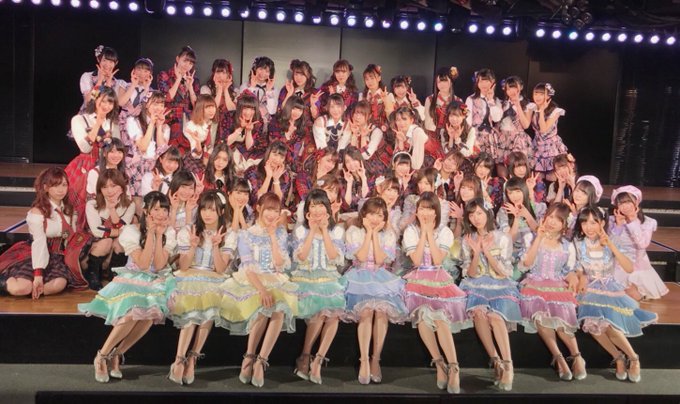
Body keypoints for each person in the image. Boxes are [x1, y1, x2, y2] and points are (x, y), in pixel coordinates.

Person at [79, 191, 177, 383]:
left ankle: (117, 354)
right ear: (146, 211)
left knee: (149, 316)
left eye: (164, 209)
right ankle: (102, 355)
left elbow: (158, 265)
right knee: (132, 312)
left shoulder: (169, 233)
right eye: (156, 209)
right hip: (133, 278)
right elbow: (142, 264)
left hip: (155, 280)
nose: (161, 214)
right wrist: (150, 234)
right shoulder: (131, 231)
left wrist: (159, 235)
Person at [219, 193, 298, 388]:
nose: (272, 214)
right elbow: (248, 268)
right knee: (263, 306)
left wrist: (272, 236)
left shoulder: (280, 233)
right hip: (252, 280)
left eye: (276, 211)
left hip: (275, 278)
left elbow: (280, 264)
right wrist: (262, 290)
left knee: (279, 308)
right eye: (269, 209)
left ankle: (261, 360)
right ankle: (249, 356)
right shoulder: (246, 234)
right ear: (259, 208)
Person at [573, 206, 657, 383]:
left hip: (610, 289)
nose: (589, 227)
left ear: (602, 223)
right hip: (589, 290)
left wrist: (611, 244)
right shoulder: (578, 243)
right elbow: (578, 267)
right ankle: (618, 357)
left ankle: (633, 358)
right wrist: (581, 277)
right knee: (593, 325)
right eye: (585, 222)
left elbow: (629, 267)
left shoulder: (613, 240)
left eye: (594, 222)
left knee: (609, 326)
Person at [402, 193, 470, 393]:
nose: (426, 212)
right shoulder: (410, 231)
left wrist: (429, 233)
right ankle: (440, 364)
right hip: (418, 279)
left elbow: (438, 260)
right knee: (423, 317)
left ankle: (454, 367)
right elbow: (416, 261)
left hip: (439, 278)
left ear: (436, 212)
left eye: (430, 208)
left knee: (440, 318)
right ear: (417, 211)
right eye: (422, 208)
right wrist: (423, 232)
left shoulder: (445, 232)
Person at [167, 191, 235, 385]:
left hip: (214, 278)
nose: (207, 214)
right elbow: (183, 266)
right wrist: (192, 246)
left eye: (212, 210)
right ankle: (179, 359)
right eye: (204, 209)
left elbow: (220, 269)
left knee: (209, 311)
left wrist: (215, 246)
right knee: (192, 310)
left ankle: (193, 359)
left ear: (221, 211)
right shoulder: (189, 230)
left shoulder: (229, 234)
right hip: (190, 276)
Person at [342, 197, 407, 385]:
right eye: (371, 214)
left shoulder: (388, 235)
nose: (375, 218)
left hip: (380, 276)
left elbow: (380, 260)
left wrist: (375, 234)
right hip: (359, 275)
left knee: (381, 312)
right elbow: (361, 257)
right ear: (364, 214)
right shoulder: (354, 231)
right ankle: (363, 360)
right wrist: (369, 233)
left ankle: (375, 359)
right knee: (366, 311)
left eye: (379, 215)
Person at [459, 198, 522, 391]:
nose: (476, 218)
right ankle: (496, 362)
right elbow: (470, 273)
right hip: (476, 284)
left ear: (487, 214)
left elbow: (505, 272)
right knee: (478, 313)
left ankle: (508, 364)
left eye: (479, 213)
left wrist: (487, 252)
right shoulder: (467, 239)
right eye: (471, 214)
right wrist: (476, 252)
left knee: (495, 316)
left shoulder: (502, 238)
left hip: (500, 284)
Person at [519, 203, 586, 381]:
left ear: (564, 224)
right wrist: (538, 238)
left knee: (561, 316)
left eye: (558, 219)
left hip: (557, 285)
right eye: (550, 217)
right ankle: (559, 357)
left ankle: (577, 356)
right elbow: (526, 264)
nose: (552, 222)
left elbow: (568, 270)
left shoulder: (567, 245)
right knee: (540, 314)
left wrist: (573, 277)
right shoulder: (530, 237)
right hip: (534, 283)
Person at [0, 168, 86, 297]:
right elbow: (39, 243)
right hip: (34, 254)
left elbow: (71, 238)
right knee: (20, 288)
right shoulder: (37, 212)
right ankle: (18, 285)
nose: (61, 190)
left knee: (58, 284)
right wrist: (38, 275)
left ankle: (34, 289)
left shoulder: (69, 210)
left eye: (64, 185)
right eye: (55, 185)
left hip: (57, 257)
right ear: (45, 187)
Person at [290, 190, 347, 384]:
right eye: (313, 206)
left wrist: (324, 231)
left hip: (329, 278)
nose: (317, 210)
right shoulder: (301, 230)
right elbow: (301, 257)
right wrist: (313, 230)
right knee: (322, 311)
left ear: (327, 209)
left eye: (320, 205)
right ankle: (306, 355)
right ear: (307, 210)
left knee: (334, 314)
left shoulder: (336, 231)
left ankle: (318, 360)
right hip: (305, 278)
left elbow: (334, 257)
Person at [609, 186, 669, 300]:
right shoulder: (612, 220)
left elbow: (642, 244)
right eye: (621, 203)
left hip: (638, 266)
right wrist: (618, 226)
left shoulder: (648, 222)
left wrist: (632, 221)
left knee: (634, 295)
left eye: (628, 202)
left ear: (636, 202)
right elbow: (611, 246)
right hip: (617, 265)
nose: (625, 206)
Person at [84, 169, 136, 290]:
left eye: (113, 186)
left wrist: (112, 209)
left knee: (122, 241)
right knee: (107, 242)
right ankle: (93, 274)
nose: (109, 191)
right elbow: (97, 231)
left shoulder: (129, 205)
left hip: (116, 242)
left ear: (122, 187)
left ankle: (114, 274)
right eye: (104, 187)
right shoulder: (92, 204)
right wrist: (118, 232)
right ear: (100, 189)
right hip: (96, 242)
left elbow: (123, 228)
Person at [157, 46, 200, 150]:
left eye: (191, 63)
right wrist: (178, 80)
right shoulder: (165, 75)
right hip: (170, 118)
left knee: (187, 151)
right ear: (177, 59)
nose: (187, 65)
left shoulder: (194, 80)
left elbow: (197, 105)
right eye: (185, 61)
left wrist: (190, 87)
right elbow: (166, 98)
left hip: (187, 120)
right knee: (168, 150)